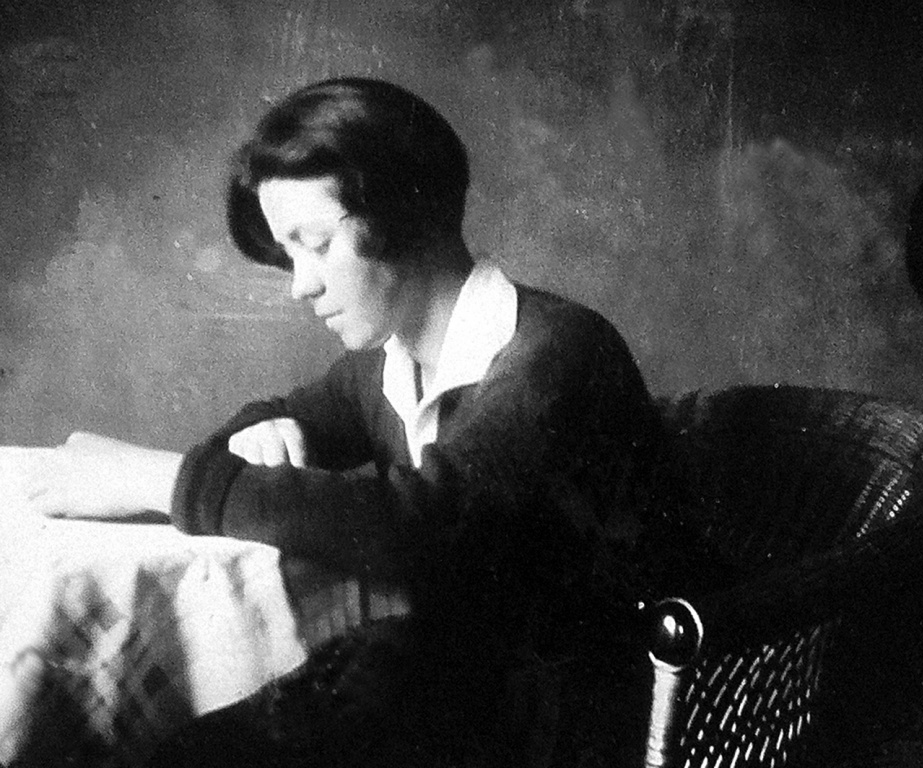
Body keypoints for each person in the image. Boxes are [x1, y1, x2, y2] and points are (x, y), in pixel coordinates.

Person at [8, 77, 670, 766]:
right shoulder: (385, 365)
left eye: (317, 244)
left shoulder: (555, 351)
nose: (301, 284)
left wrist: (160, 479)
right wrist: (263, 432)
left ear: (406, 214)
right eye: (290, 254)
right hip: (470, 697)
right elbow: (280, 415)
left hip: (592, 728)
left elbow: (420, 526)